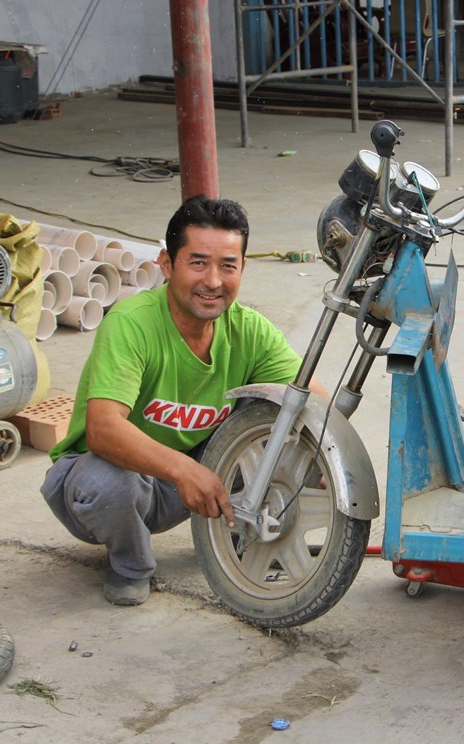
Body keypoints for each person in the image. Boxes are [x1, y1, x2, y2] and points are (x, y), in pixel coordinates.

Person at [40, 195, 325, 606]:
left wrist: (321, 460)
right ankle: (130, 565)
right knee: (109, 482)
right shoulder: (131, 324)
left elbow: (312, 398)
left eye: (227, 265)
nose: (213, 280)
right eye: (197, 263)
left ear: (243, 268)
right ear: (167, 264)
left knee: (281, 417)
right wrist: (184, 471)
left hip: (191, 477)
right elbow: (102, 430)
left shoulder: (249, 330)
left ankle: (236, 540)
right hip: (102, 482)